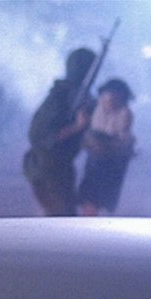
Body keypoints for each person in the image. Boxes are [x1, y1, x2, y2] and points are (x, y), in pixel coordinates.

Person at [23, 47, 96, 216]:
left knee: (65, 214)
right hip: (47, 169)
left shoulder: (76, 95)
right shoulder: (60, 97)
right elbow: (41, 136)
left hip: (60, 167)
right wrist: (77, 126)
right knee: (59, 217)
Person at [77, 78, 136, 216]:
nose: (110, 101)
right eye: (107, 96)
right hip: (95, 160)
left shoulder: (125, 113)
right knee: (89, 197)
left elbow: (121, 139)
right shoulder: (95, 107)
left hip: (112, 162)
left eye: (115, 97)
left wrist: (105, 143)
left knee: (102, 198)